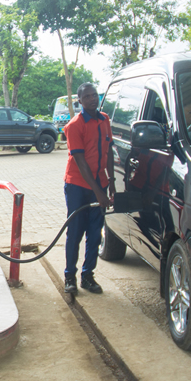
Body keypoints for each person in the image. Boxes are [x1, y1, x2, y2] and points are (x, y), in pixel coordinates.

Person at [62, 83, 115, 295]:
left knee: (95, 234)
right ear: (80, 101)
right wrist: (99, 193)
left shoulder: (104, 119)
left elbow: (109, 151)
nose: (93, 99)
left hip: (100, 183)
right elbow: (81, 162)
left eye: (95, 95)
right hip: (77, 185)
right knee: (75, 232)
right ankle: (70, 276)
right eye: (88, 97)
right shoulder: (75, 125)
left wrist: (110, 183)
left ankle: (88, 276)